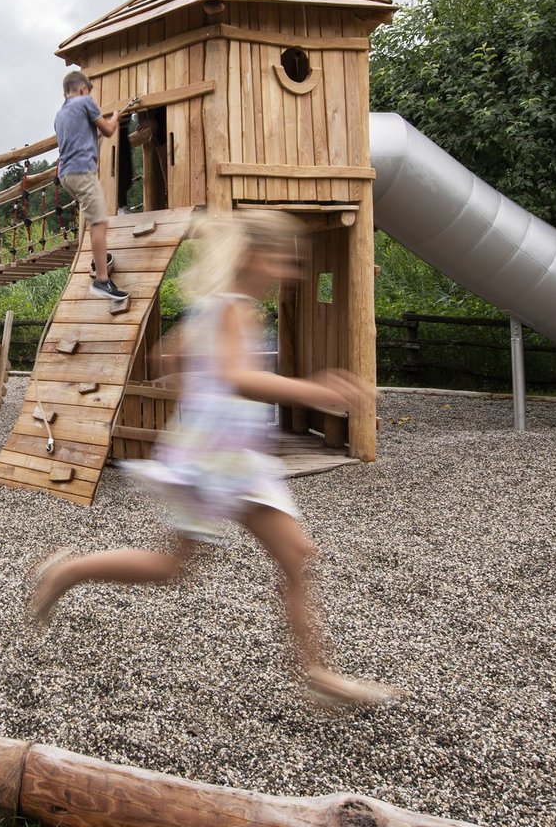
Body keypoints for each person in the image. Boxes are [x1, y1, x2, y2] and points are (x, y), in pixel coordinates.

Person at [24, 209, 405, 709]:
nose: (289, 273)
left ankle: (67, 571)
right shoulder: (232, 310)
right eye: (282, 262)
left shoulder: (218, 307)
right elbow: (234, 377)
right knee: (290, 558)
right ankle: (318, 672)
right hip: (225, 460)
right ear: (253, 257)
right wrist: (311, 389)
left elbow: (170, 356)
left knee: (184, 566)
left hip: (224, 454)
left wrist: (196, 398)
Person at [54, 69, 128, 302]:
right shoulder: (86, 101)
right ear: (83, 89)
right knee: (99, 223)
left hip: (66, 175)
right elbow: (107, 131)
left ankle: (100, 257)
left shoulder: (59, 115)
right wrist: (116, 116)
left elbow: (87, 137)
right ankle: (102, 281)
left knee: (93, 217)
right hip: (83, 172)